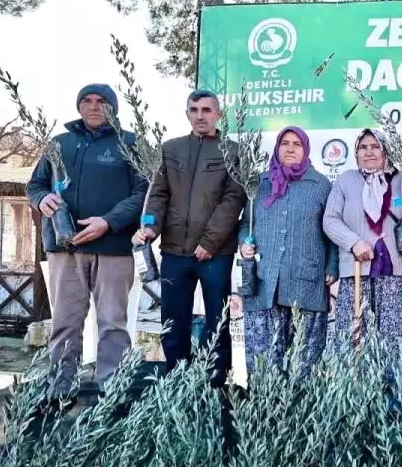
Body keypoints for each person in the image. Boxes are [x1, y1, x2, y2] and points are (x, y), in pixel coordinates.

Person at [26, 84, 147, 388]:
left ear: (114, 107)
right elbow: (35, 185)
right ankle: (60, 387)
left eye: (102, 101)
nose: (94, 106)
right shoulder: (59, 144)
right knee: (65, 323)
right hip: (66, 249)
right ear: (79, 106)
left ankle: (112, 387)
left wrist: (108, 222)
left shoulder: (132, 143)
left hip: (113, 248)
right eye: (87, 101)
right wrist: (41, 199)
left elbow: (144, 193)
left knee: (113, 323)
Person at [132, 89, 246, 386]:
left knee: (217, 320)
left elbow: (234, 199)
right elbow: (158, 194)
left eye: (207, 110)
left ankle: (214, 383)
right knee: (173, 319)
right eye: (194, 110)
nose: (200, 116)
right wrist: (150, 227)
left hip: (216, 254)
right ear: (187, 114)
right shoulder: (170, 148)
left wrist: (209, 242)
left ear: (218, 114)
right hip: (173, 251)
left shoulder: (233, 151)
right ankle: (176, 381)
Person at [238, 126, 339, 376]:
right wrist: (243, 244)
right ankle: (264, 400)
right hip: (264, 280)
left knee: (304, 363)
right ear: (277, 148)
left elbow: (333, 228)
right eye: (285, 143)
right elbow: (245, 223)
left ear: (305, 149)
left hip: (306, 281)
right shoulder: (259, 184)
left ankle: (301, 402)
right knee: (262, 363)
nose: (290, 148)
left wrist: (332, 265)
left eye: (297, 144)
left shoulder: (321, 185)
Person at [323, 129, 402, 371]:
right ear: (356, 153)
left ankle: (396, 395)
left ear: (385, 150)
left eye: (375, 146)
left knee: (398, 343)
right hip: (357, 274)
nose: (369, 152)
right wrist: (354, 243)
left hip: (399, 277)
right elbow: (330, 219)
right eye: (363, 147)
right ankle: (357, 394)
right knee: (353, 343)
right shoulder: (346, 181)